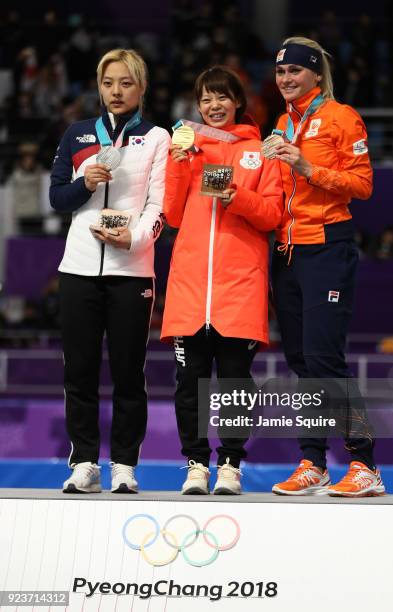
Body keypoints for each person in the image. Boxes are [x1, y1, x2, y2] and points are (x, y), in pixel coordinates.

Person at [49, 49, 170, 493]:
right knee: (78, 370)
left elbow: (161, 205)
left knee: (127, 372)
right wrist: (85, 182)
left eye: (125, 83)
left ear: (141, 87)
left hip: (132, 269)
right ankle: (84, 462)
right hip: (79, 268)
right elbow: (57, 198)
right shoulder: (78, 134)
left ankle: (123, 465)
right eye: (108, 83)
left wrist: (135, 239)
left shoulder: (157, 138)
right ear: (99, 87)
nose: (115, 91)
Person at [270, 37, 385, 497]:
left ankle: (364, 463)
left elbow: (363, 185)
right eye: (280, 73)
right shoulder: (281, 123)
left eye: (295, 71)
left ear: (316, 75)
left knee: (325, 360)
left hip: (327, 248)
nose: (286, 79)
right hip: (289, 253)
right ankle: (312, 462)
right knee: (302, 363)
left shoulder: (342, 117)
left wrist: (307, 168)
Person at [161, 66, 283, 495]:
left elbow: (272, 214)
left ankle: (230, 464)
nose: (213, 106)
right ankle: (195, 464)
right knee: (188, 382)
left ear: (237, 101)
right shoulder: (188, 149)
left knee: (235, 383)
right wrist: (178, 166)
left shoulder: (262, 152)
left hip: (239, 286)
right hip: (191, 286)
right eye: (205, 99)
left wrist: (238, 197)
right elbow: (172, 215)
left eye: (221, 97)